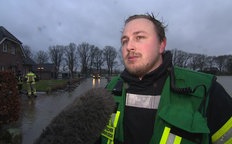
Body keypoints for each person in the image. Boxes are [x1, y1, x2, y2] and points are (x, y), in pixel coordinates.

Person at [99, 13, 232, 144]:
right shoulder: (109, 90)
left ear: (161, 44)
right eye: (124, 41)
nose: (129, 47)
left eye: (139, 37)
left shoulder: (205, 90)